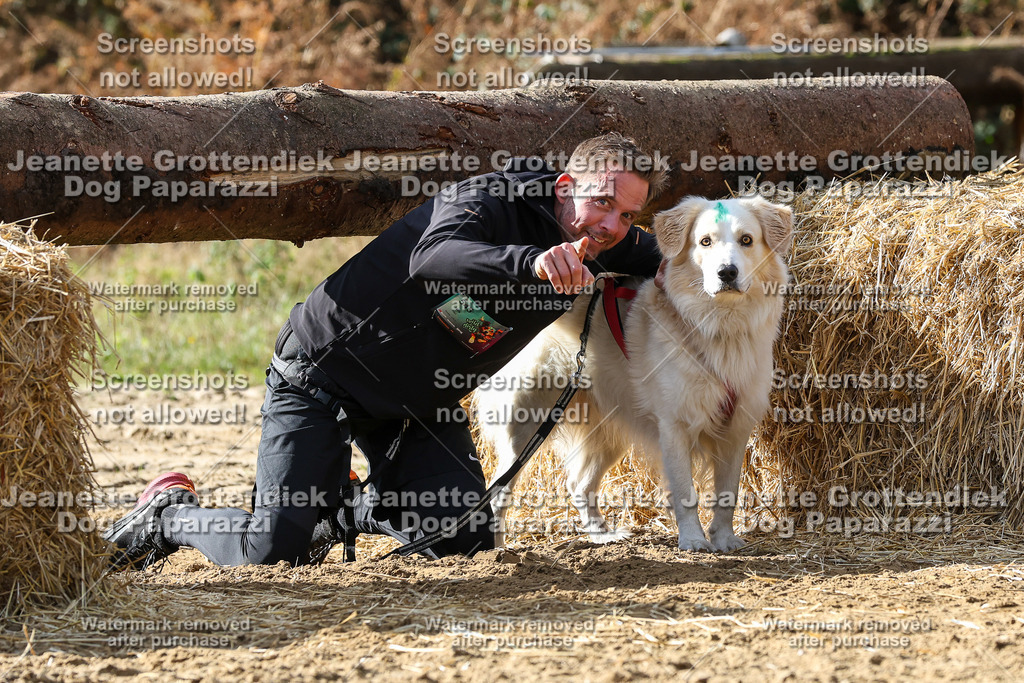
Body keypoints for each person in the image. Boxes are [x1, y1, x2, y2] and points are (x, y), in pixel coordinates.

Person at [104, 132, 669, 569]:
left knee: (463, 541)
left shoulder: (600, 239)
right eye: (602, 204)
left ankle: (347, 505)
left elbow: (679, 255)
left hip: (420, 401)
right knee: (272, 554)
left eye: (627, 215)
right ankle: (168, 516)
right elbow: (434, 258)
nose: (612, 226)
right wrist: (530, 262)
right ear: (566, 185)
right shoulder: (487, 199)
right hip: (325, 374)